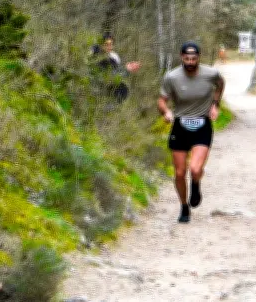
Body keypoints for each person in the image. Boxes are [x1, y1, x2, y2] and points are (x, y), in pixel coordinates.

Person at [157, 42, 225, 223]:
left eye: (193, 59)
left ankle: (196, 183)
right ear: (181, 57)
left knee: (195, 169)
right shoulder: (172, 77)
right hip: (180, 125)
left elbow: (220, 84)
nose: (190, 62)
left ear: (198, 58)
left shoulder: (210, 74)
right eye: (186, 58)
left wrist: (215, 105)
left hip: (202, 125)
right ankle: (184, 207)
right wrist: (166, 112)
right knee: (179, 173)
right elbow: (162, 100)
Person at [92, 34, 141, 102]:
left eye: (111, 44)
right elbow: (106, 77)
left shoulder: (114, 57)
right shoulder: (95, 57)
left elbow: (116, 73)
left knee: (123, 89)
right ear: (101, 45)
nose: (109, 47)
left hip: (111, 89)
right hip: (96, 88)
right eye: (106, 44)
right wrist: (126, 69)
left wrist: (127, 68)